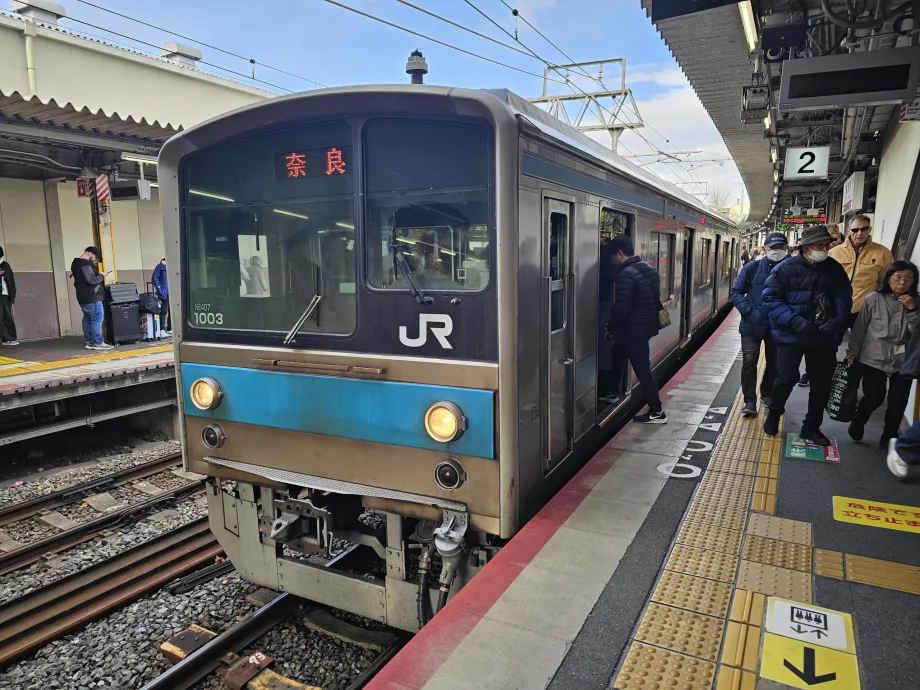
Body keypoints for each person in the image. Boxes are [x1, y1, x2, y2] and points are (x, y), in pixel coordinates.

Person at [762, 225, 852, 444]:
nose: (823, 249)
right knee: (786, 378)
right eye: (817, 245)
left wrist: (837, 320)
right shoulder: (785, 269)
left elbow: (844, 295)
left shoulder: (834, 269)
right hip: (791, 335)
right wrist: (795, 321)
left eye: (825, 245)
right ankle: (774, 412)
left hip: (822, 336)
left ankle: (811, 427)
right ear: (805, 248)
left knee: (821, 383)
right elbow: (770, 300)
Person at [845, 261, 919, 448]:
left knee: (897, 403)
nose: (903, 283)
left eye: (908, 278)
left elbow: (917, 331)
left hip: (903, 359)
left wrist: (912, 309)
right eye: (898, 277)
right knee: (874, 397)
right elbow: (860, 328)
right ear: (888, 279)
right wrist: (853, 352)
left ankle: (889, 437)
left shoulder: (916, 302)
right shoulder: (873, 299)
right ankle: (859, 420)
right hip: (873, 357)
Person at [607, 234, 667, 424]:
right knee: (618, 352)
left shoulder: (626, 274)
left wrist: (611, 327)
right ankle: (611, 391)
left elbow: (621, 307)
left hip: (634, 329)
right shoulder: (649, 269)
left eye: (612, 256)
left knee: (642, 369)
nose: (611, 260)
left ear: (620, 253)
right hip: (644, 326)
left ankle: (657, 411)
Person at [731, 232, 788, 417]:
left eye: (781, 248)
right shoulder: (751, 268)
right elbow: (737, 292)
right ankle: (749, 401)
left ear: (786, 249)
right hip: (752, 324)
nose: (777, 251)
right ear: (765, 248)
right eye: (773, 248)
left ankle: (766, 392)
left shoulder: (792, 270)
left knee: (775, 363)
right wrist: (749, 311)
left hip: (778, 325)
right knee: (749, 361)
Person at [829, 214, 893, 328]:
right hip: (837, 306)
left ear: (870, 229)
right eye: (855, 230)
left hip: (865, 309)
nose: (860, 233)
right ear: (849, 231)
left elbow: (887, 281)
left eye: (864, 229)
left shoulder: (883, 253)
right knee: (832, 342)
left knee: (862, 343)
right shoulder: (834, 252)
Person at [71, 246, 114, 351]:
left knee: (87, 319)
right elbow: (91, 280)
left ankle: (89, 342)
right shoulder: (85, 264)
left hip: (82, 296)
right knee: (97, 318)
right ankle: (98, 342)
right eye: (95, 256)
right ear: (90, 253)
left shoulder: (75, 263)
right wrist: (102, 276)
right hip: (92, 296)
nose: (95, 259)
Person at [0, 246, 18, 346]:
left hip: (5, 295)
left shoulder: (5, 265)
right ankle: (4, 339)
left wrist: (12, 295)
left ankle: (9, 338)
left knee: (7, 317)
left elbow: (11, 280)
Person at [151, 258, 171, 338]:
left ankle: (169, 328)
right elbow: (154, 278)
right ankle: (162, 329)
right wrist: (160, 289)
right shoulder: (160, 267)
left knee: (170, 311)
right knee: (164, 311)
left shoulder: (168, 267)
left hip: (170, 292)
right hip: (164, 292)